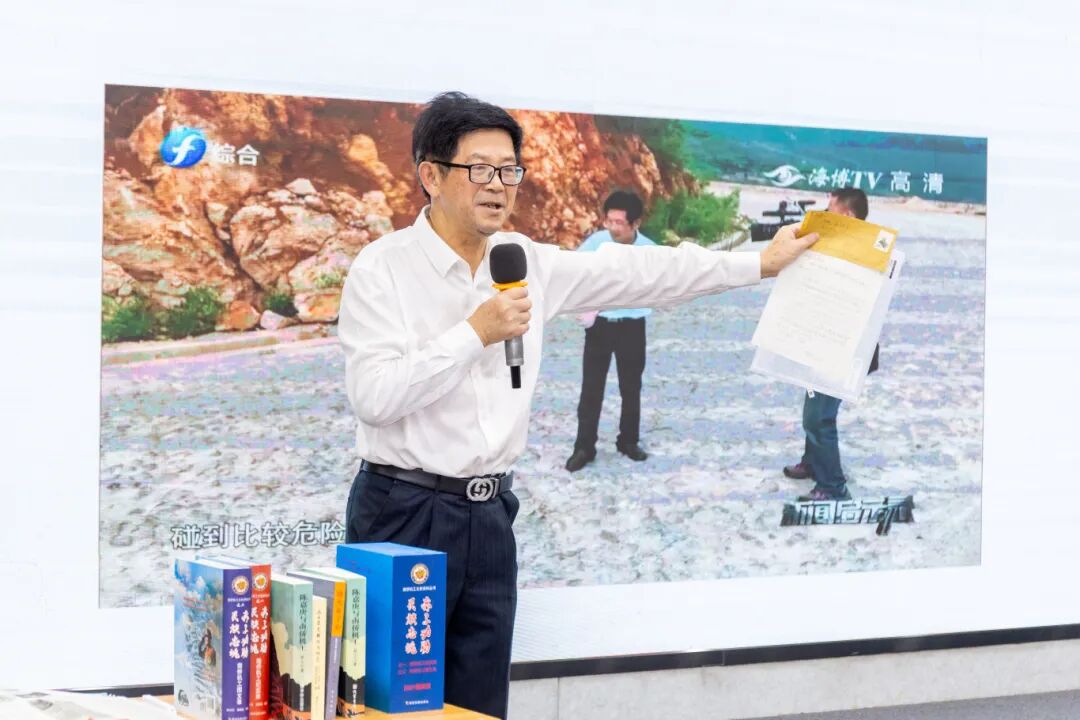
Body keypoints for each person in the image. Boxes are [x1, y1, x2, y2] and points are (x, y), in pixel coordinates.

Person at [338, 91, 817, 719]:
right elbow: (374, 397)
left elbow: (644, 273)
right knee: (389, 709)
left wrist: (760, 263)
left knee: (479, 705)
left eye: (509, 169)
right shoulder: (383, 270)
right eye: (479, 168)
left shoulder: (525, 262)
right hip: (403, 514)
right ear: (431, 174)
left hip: (488, 516)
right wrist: (475, 333)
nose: (498, 185)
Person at [782, 187, 880, 502]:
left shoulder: (867, 252)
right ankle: (813, 463)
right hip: (823, 341)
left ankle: (833, 486)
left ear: (847, 215)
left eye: (830, 209)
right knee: (813, 405)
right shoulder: (838, 245)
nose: (824, 215)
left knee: (820, 416)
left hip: (844, 347)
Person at [566, 190, 655, 472]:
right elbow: (575, 273)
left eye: (619, 223)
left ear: (635, 223)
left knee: (631, 387)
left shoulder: (650, 251)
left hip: (632, 325)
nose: (613, 227)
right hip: (600, 325)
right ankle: (584, 447)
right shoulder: (596, 243)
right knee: (591, 388)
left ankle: (628, 441)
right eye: (609, 221)